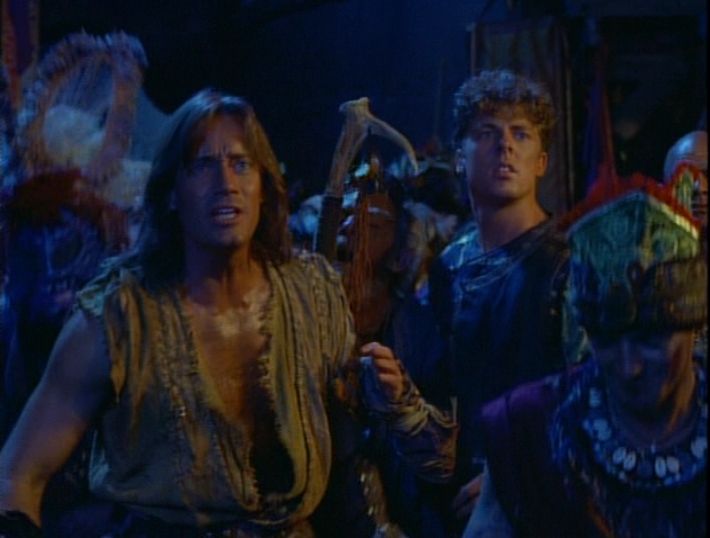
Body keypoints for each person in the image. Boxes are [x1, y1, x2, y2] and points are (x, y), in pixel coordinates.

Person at [0, 89, 456, 537]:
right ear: (172, 192)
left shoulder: (312, 297)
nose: (226, 183)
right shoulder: (119, 317)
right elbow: (15, 477)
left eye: (240, 164)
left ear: (262, 187)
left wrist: (397, 401)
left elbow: (417, 459)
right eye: (202, 165)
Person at [464, 172, 707, 537]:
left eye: (649, 339)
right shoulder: (528, 431)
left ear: (692, 326)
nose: (629, 367)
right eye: (606, 340)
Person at [427, 69, 585, 533]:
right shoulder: (450, 264)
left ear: (541, 162)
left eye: (521, 134)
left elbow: (591, 401)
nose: (505, 146)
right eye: (487, 133)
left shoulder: (568, 263)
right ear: (460, 157)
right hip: (459, 494)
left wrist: (511, 478)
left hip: (544, 497)